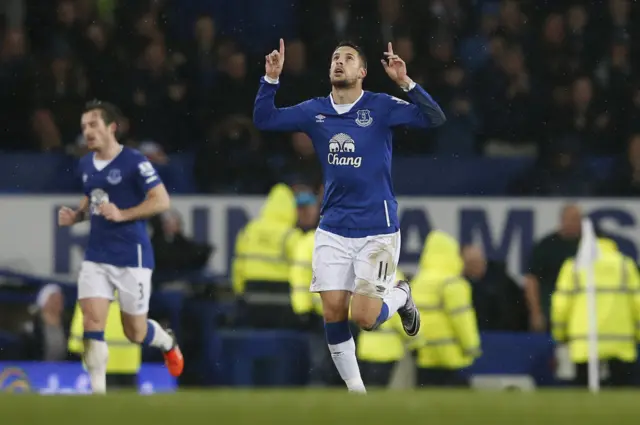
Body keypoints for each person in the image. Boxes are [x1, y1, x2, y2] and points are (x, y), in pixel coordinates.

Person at [253, 38, 446, 393]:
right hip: (333, 229)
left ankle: (401, 296)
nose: (339, 63)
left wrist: (406, 83)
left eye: (348, 58)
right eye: (334, 57)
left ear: (363, 72)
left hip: (377, 229)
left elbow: (434, 118)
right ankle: (358, 396)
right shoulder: (315, 111)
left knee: (365, 318)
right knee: (333, 312)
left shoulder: (381, 106)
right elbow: (265, 120)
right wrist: (271, 80)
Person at [57, 100, 183, 394]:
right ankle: (98, 396)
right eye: (84, 127)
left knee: (135, 331)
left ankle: (166, 341)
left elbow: (161, 200)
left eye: (93, 125)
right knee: (92, 321)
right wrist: (77, 215)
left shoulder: (135, 161)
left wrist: (123, 214)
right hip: (96, 255)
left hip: (132, 256)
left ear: (111, 127)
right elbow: (93, 197)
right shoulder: (85, 163)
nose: (87, 132)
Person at [551, 238, 640, 387]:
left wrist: (559, 334)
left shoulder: (573, 265)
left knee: (583, 401)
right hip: (621, 344)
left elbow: (561, 305)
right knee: (623, 399)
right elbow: (637, 304)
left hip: (584, 343)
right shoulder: (625, 265)